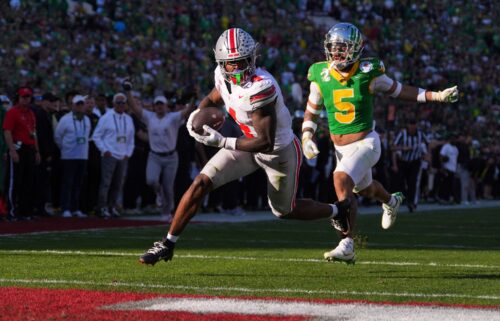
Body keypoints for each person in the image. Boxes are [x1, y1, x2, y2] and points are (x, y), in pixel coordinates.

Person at [139, 28, 347, 265]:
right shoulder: (221, 74)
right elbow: (213, 98)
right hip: (245, 144)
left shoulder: (261, 86)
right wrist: (196, 115)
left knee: (285, 211)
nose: (237, 68)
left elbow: (265, 141)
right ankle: (167, 244)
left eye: (242, 62)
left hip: (278, 151)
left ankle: (337, 211)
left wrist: (222, 142)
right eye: (230, 64)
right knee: (200, 183)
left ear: (252, 58)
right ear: (221, 63)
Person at [301, 22, 459, 263]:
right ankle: (391, 200)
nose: (336, 54)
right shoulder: (320, 74)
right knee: (364, 189)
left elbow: (400, 90)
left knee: (340, 178)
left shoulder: (369, 72)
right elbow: (311, 110)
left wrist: (435, 95)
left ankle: (347, 243)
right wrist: (306, 136)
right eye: (333, 48)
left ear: (355, 49)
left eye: (342, 48)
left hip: (367, 142)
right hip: (340, 148)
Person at [123, 83, 196, 217]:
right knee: (151, 180)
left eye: (161, 104)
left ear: (166, 106)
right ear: (154, 106)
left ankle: (166, 212)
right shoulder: (149, 117)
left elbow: (188, 111)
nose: (159, 107)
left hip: (171, 157)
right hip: (154, 155)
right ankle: (158, 192)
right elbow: (134, 107)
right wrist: (128, 91)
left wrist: (194, 98)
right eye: (157, 104)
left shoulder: (173, 117)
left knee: (168, 187)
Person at [92, 93, 135, 218]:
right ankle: (102, 207)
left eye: (123, 102)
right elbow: (96, 136)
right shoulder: (106, 117)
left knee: (118, 184)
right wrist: (104, 150)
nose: (121, 105)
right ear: (113, 103)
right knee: (106, 183)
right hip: (109, 154)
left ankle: (112, 207)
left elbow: (131, 139)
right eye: (118, 102)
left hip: (123, 156)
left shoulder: (128, 119)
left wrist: (129, 153)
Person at [2, 86, 41, 220]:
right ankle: (11, 211)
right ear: (18, 98)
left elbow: (33, 133)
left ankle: (25, 211)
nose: (26, 99)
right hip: (18, 148)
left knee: (28, 181)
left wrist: (37, 151)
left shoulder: (31, 113)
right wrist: (12, 150)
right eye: (23, 97)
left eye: (28, 97)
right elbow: (7, 131)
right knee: (15, 181)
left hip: (29, 148)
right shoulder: (12, 112)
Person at [54, 95, 91, 218]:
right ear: (73, 105)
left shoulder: (87, 119)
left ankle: (75, 208)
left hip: (82, 155)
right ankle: (65, 208)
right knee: (67, 183)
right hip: (69, 156)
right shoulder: (65, 119)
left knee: (78, 183)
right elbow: (58, 136)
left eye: (82, 104)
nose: (80, 106)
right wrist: (64, 148)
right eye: (78, 104)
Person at [391, 119, 429, 212]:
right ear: (408, 125)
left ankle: (411, 202)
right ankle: (406, 199)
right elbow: (393, 147)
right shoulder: (402, 134)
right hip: (403, 162)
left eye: (414, 125)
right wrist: (403, 148)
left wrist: (427, 155)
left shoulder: (420, 134)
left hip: (415, 162)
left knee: (413, 182)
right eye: (411, 125)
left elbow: (429, 143)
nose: (412, 127)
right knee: (402, 182)